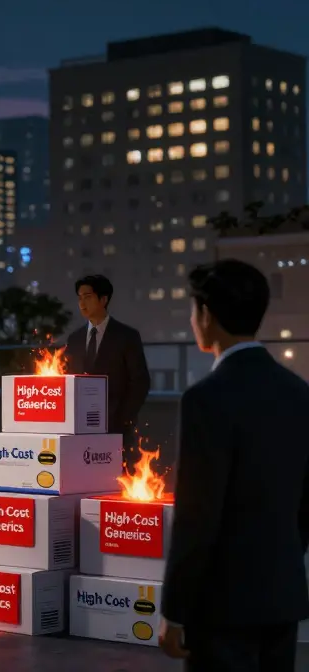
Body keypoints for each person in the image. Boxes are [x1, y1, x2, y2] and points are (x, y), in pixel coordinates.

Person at [160, 260, 309, 669]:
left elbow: (196, 518)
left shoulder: (206, 399)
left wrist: (174, 610)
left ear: (206, 314)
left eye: (194, 310)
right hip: (282, 598)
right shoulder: (299, 393)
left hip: (221, 607)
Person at [63, 275, 151, 465]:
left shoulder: (126, 336)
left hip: (116, 425)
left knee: (117, 475)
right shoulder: (74, 339)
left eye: (87, 297)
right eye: (79, 298)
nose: (82, 303)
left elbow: (140, 381)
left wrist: (124, 418)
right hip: (79, 428)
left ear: (103, 299)